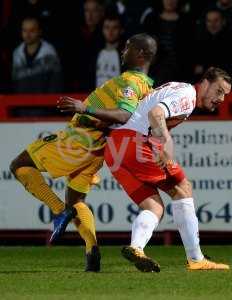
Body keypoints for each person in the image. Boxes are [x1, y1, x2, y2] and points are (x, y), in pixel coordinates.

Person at [9, 33, 157, 272]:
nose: (123, 50)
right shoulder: (146, 86)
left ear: (141, 54)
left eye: (128, 47)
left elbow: (124, 115)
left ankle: (59, 211)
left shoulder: (130, 82)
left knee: (19, 164)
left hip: (81, 139)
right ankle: (91, 249)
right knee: (76, 200)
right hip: (96, 149)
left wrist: (83, 107)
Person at [104, 67, 231, 272]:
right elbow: (156, 114)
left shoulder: (178, 89)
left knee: (154, 208)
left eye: (225, 95)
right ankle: (196, 258)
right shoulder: (188, 95)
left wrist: (158, 143)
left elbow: (149, 115)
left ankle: (136, 248)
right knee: (182, 187)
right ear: (205, 83)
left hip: (113, 150)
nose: (221, 99)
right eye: (219, 91)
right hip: (132, 143)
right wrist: (165, 142)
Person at [12, 16, 63, 93]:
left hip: (43, 102)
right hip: (21, 101)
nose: (27, 34)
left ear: (39, 31)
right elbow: (14, 82)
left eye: (32, 30)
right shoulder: (17, 53)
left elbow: (56, 82)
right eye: (24, 30)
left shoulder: (49, 53)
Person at [96, 14, 124, 87]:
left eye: (115, 28)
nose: (110, 31)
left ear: (121, 30)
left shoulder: (126, 55)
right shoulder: (95, 53)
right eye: (107, 27)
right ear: (102, 30)